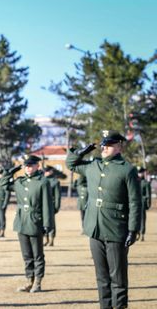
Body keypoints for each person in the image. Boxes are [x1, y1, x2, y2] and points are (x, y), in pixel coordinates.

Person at [66, 130, 141, 309]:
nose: (104, 148)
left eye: (109, 145)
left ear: (119, 146)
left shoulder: (127, 169)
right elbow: (70, 164)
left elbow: (135, 202)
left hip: (116, 229)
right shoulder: (93, 166)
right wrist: (82, 152)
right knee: (101, 277)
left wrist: (133, 229)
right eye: (102, 145)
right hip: (94, 228)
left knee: (118, 278)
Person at [2, 155, 54, 293]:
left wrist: (47, 225)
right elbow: (3, 184)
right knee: (26, 255)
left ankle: (38, 282)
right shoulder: (19, 182)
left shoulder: (42, 182)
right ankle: (29, 280)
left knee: (38, 255)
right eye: (26, 166)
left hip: (35, 221)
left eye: (31, 165)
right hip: (21, 222)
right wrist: (12, 170)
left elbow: (47, 205)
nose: (28, 168)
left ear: (38, 166)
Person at [43, 166, 61, 247]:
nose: (45, 173)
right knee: (43, 223)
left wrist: (56, 207)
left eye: (47, 171)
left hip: (51, 206)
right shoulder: (42, 180)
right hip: (42, 205)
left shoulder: (55, 182)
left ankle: (51, 240)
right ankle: (45, 239)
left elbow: (57, 196)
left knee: (51, 224)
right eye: (45, 171)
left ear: (51, 172)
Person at [137, 166, 151, 241]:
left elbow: (148, 195)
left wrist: (148, 204)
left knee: (142, 219)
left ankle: (142, 234)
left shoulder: (145, 183)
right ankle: (136, 232)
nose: (140, 174)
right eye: (140, 172)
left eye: (141, 173)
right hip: (134, 203)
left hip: (142, 203)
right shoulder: (135, 181)